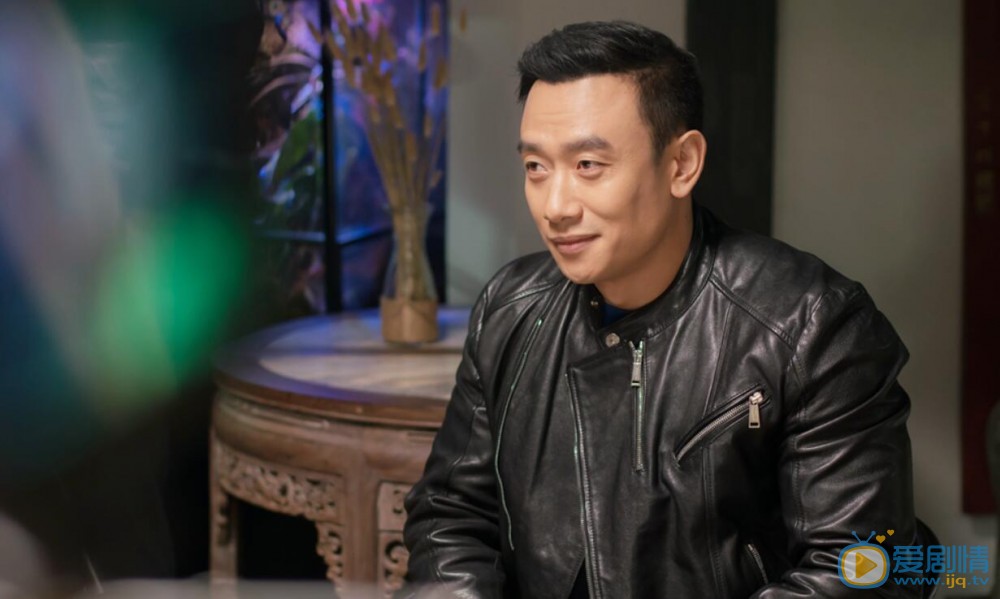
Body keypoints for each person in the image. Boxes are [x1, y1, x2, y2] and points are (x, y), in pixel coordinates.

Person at [402, 21, 933, 598]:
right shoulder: (509, 308)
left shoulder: (811, 325)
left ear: (682, 164)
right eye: (536, 167)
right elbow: (450, 514)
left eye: (588, 165)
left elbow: (859, 568)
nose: (555, 206)